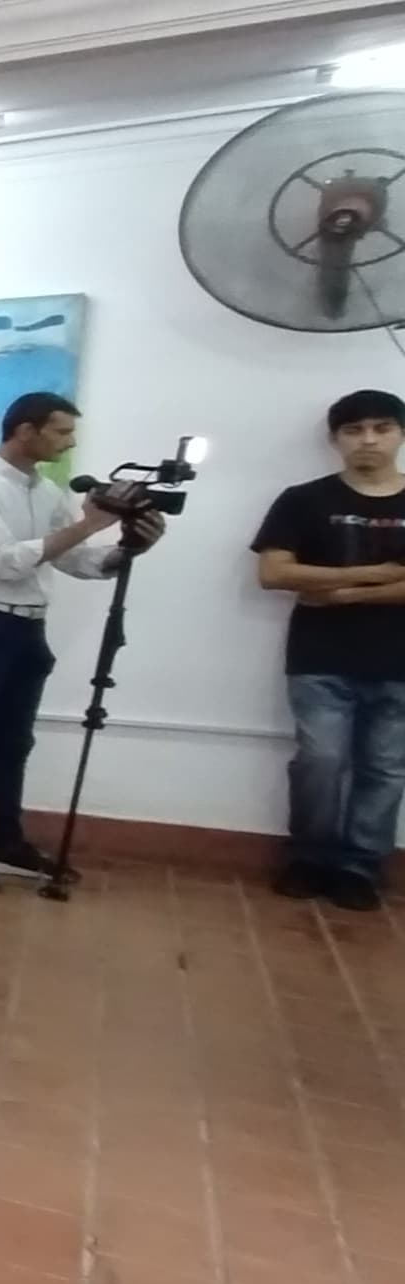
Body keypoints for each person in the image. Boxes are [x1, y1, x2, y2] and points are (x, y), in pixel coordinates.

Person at [0, 390, 161, 895]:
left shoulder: (48, 492)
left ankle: (5, 841)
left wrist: (128, 550)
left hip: (29, 629)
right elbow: (4, 562)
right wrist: (89, 524)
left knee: (15, 742)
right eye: (62, 431)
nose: (70, 441)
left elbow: (74, 560)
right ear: (25, 431)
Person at [252, 388, 405, 909]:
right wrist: (379, 574)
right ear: (335, 439)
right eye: (354, 430)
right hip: (319, 658)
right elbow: (274, 573)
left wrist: (339, 593)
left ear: (400, 435)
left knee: (385, 768)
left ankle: (361, 867)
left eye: (382, 428)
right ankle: (308, 857)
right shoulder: (304, 500)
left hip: (398, 660)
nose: (369, 440)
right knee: (320, 761)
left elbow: (303, 577)